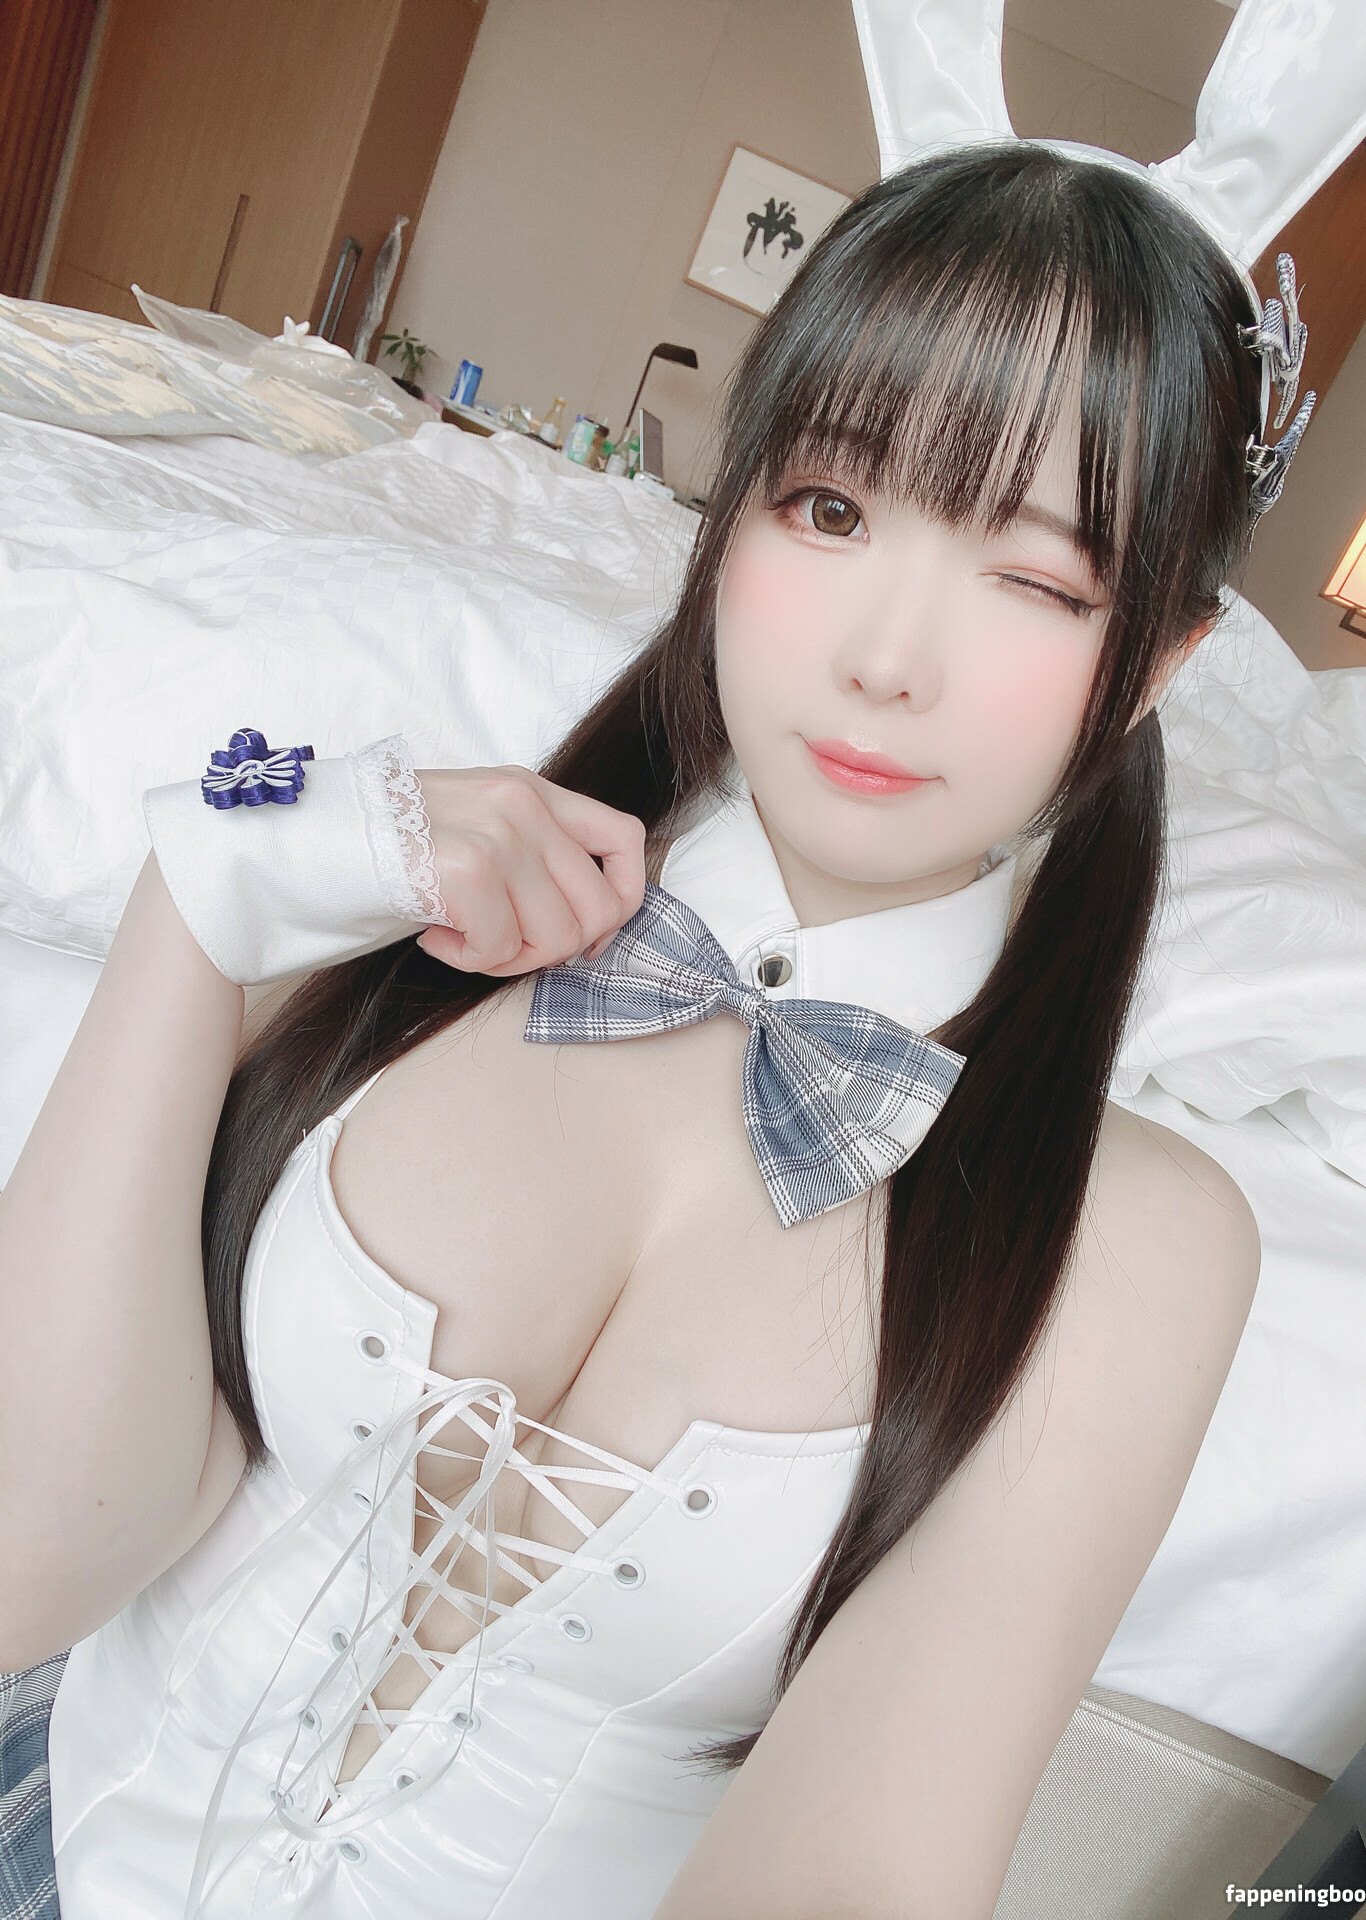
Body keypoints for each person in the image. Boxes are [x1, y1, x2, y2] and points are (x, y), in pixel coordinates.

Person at [0, 144, 1271, 1919]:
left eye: (1037, 583)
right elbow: (39, 1556)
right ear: (731, 508)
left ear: (1159, 662)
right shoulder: (402, 898)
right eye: (831, 510)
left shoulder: (1132, 1241)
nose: (887, 658)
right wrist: (199, 901)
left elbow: (860, 1873)